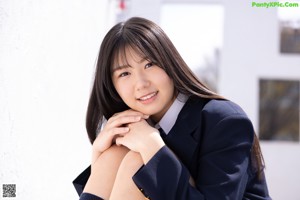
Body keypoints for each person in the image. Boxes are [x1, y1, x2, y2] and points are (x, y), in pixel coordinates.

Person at [73, 17, 271, 200]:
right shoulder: (134, 127)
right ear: (112, 86)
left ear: (169, 62)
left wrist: (152, 146)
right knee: (118, 155)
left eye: (150, 64)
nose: (141, 83)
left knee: (138, 161)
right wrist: (99, 156)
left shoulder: (224, 120)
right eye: (125, 73)